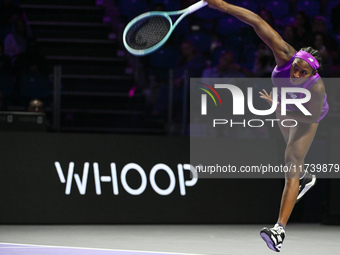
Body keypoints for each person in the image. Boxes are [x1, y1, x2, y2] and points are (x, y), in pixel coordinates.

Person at [204, 0, 329, 252]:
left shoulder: (316, 87)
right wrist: (223, 5)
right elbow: (257, 22)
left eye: (302, 72)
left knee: (291, 159)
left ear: (311, 74)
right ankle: (305, 178)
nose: (296, 74)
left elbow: (310, 116)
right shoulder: (285, 54)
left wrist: (282, 107)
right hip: (283, 104)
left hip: (307, 114)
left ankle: (279, 230)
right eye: (295, 67)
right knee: (291, 154)